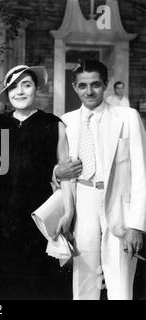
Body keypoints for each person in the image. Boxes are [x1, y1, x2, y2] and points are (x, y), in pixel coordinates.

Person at [55, 60, 146, 299]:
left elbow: (141, 173)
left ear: (105, 84)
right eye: (82, 85)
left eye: (95, 84)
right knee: (84, 280)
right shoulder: (66, 121)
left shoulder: (127, 117)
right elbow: (61, 170)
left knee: (120, 284)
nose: (89, 91)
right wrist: (65, 206)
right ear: (74, 87)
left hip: (118, 205)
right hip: (83, 200)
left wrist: (137, 225)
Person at [0, 65, 74, 299]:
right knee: (4, 282)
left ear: (36, 89)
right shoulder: (1, 123)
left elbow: (66, 174)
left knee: (38, 282)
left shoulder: (53, 124)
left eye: (26, 85)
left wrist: (68, 213)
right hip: (5, 213)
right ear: (8, 93)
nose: (20, 91)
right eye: (14, 87)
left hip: (40, 214)